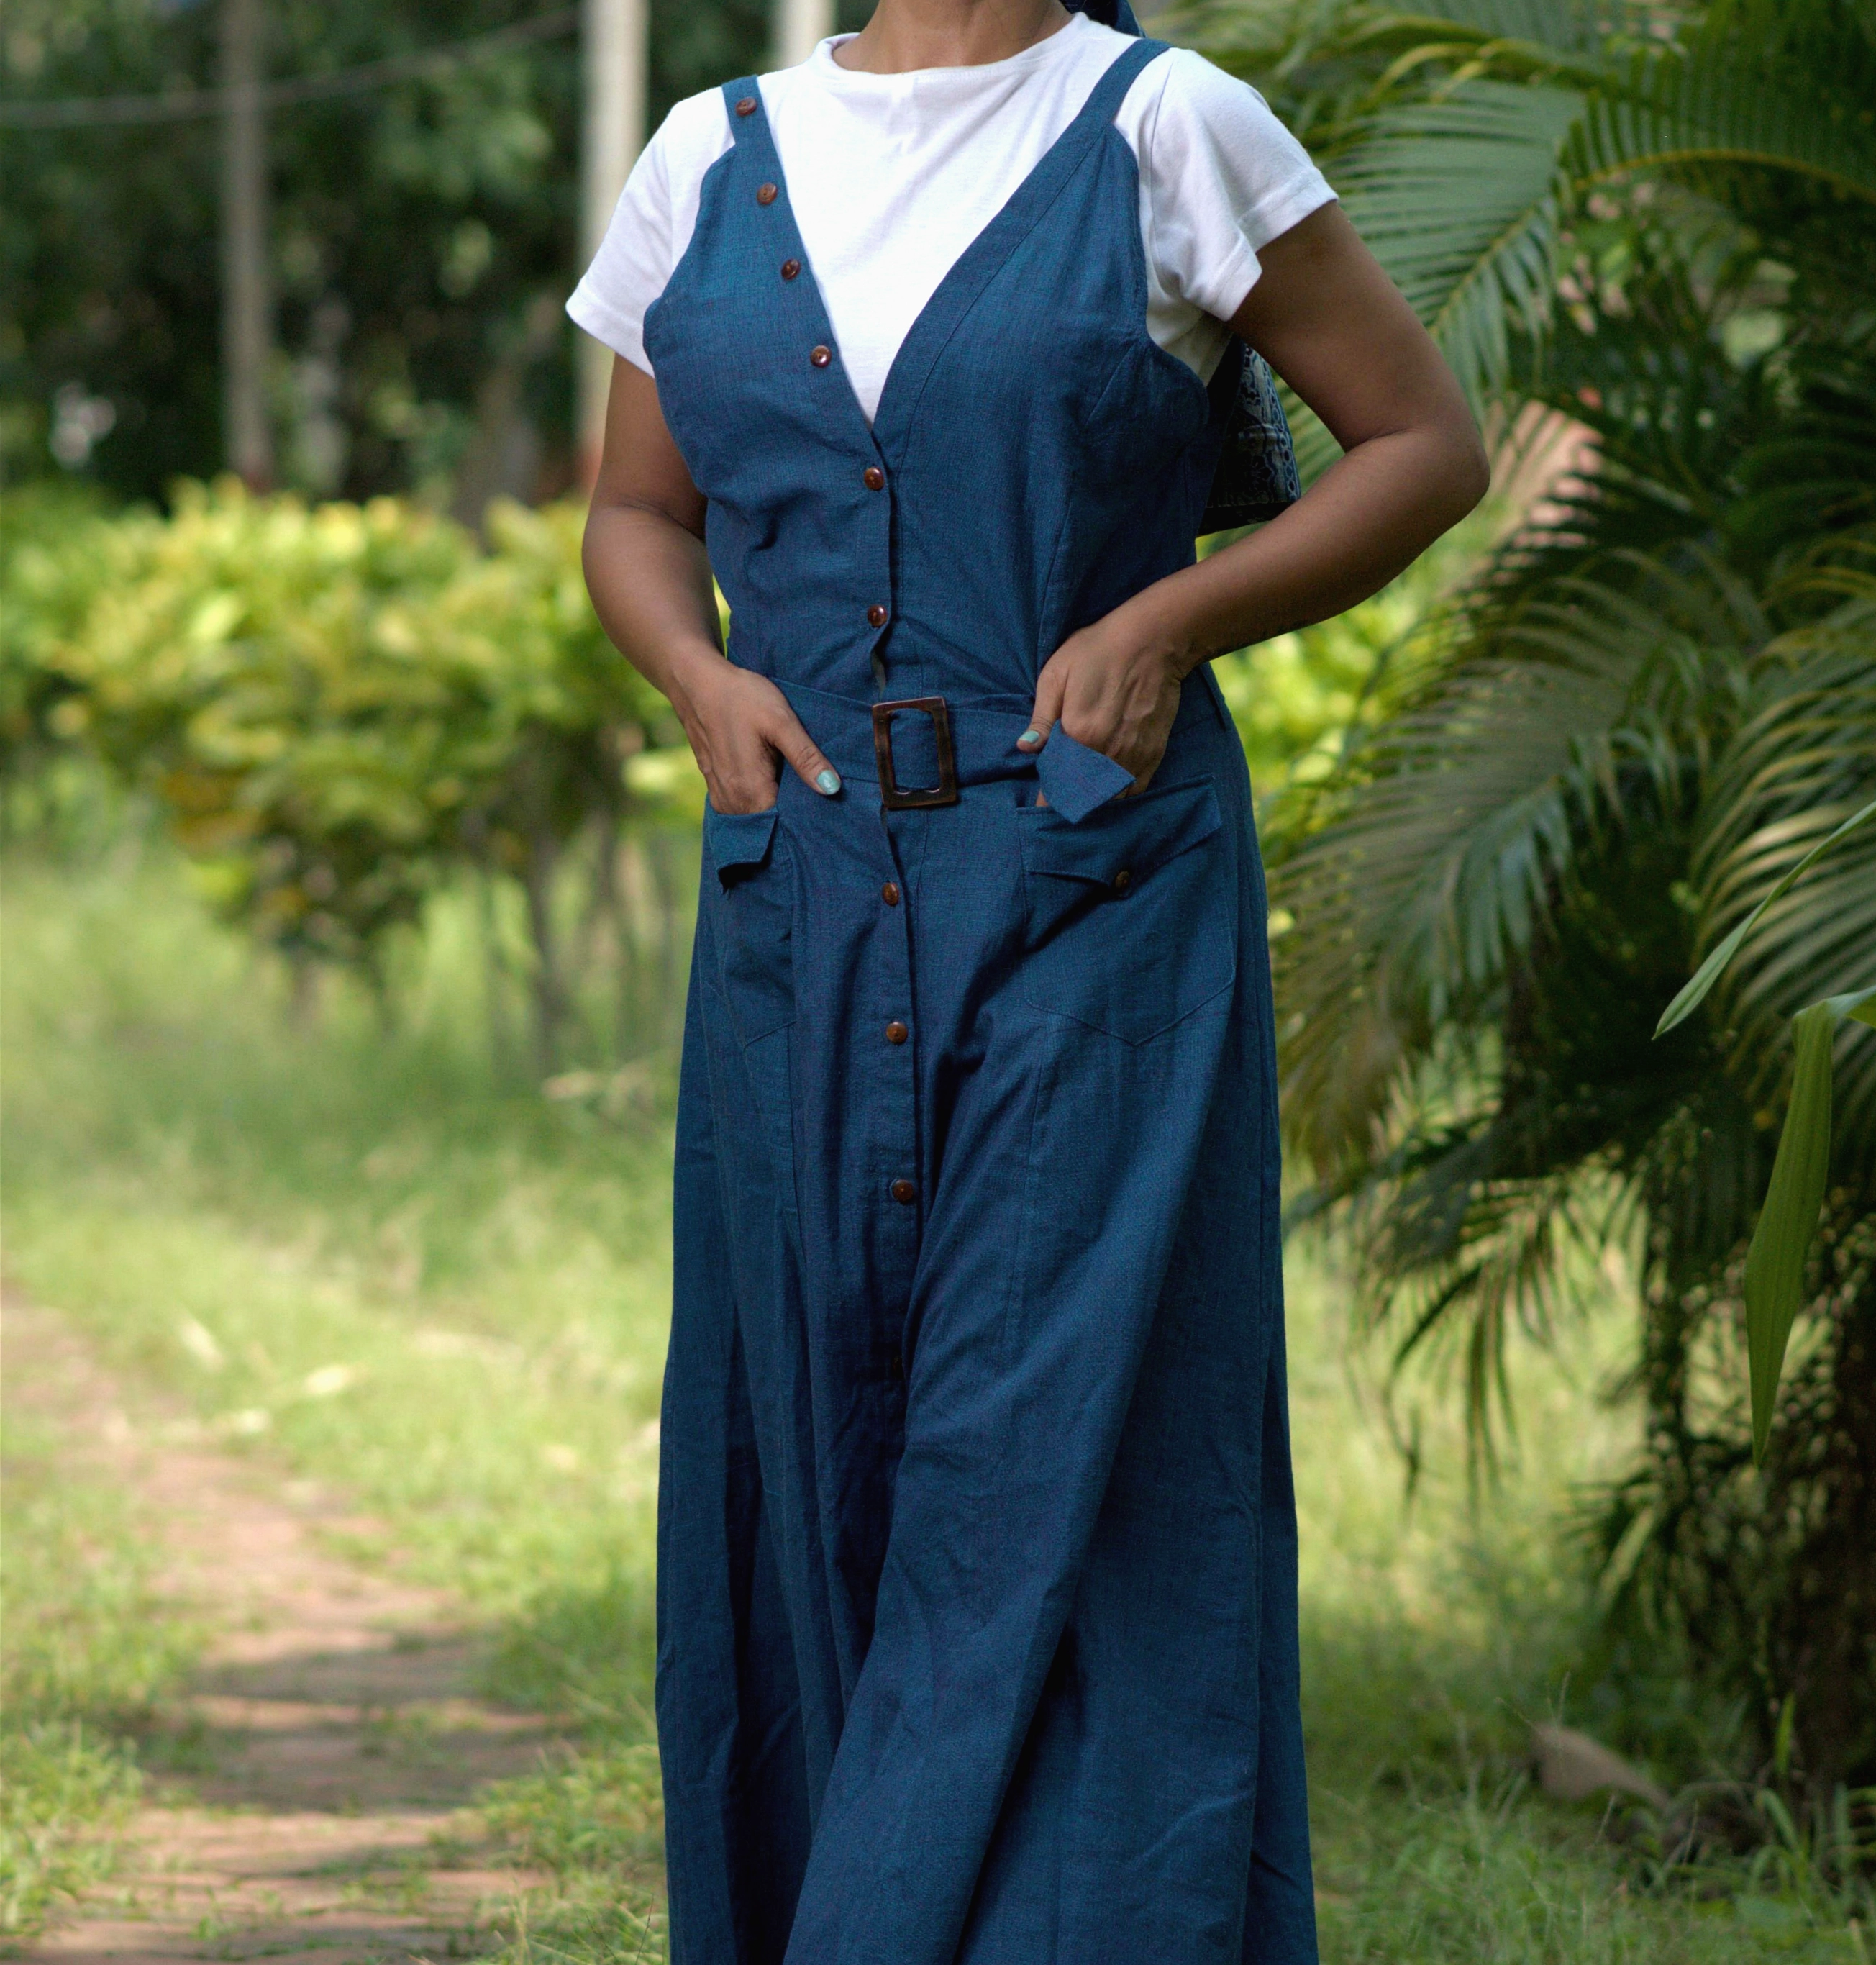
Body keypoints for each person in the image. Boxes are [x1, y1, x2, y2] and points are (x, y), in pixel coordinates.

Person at [570, 0, 1485, 1955]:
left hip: (1091, 881)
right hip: (797, 895)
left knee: (1052, 1452)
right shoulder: (702, 158)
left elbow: (1424, 446)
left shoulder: (1172, 127)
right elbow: (637, 512)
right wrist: (698, 678)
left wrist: (1173, 618)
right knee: (804, 1446)